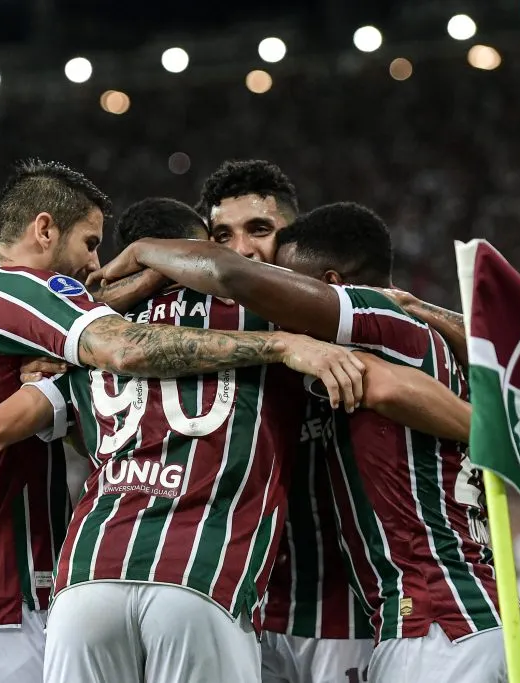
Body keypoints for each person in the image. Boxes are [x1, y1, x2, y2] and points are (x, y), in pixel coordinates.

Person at [0, 161, 367, 683]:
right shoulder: (27, 298)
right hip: (15, 604)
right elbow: (102, 360)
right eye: (88, 243)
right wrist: (283, 346)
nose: (94, 266)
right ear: (44, 230)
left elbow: (55, 422)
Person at [92, 201, 520, 683]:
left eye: (294, 284)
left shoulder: (375, 322)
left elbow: (375, 378)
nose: (285, 306)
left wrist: (143, 254)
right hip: (438, 613)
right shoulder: (419, 334)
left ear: (332, 287)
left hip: (437, 617)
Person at [193, 161, 377, 683]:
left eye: (260, 230)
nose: (243, 250)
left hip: (346, 616)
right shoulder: (214, 343)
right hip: (250, 614)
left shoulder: (350, 324)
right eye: (222, 236)